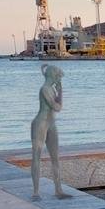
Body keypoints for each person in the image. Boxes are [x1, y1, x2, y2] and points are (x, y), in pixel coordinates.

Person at [30, 64, 70, 200]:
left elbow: (57, 106)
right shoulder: (45, 89)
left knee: (55, 157)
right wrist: (60, 93)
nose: (59, 79)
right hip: (40, 123)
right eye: (58, 77)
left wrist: (59, 91)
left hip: (51, 123)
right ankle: (36, 191)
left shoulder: (52, 89)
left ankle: (58, 189)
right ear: (53, 75)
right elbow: (57, 107)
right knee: (36, 156)